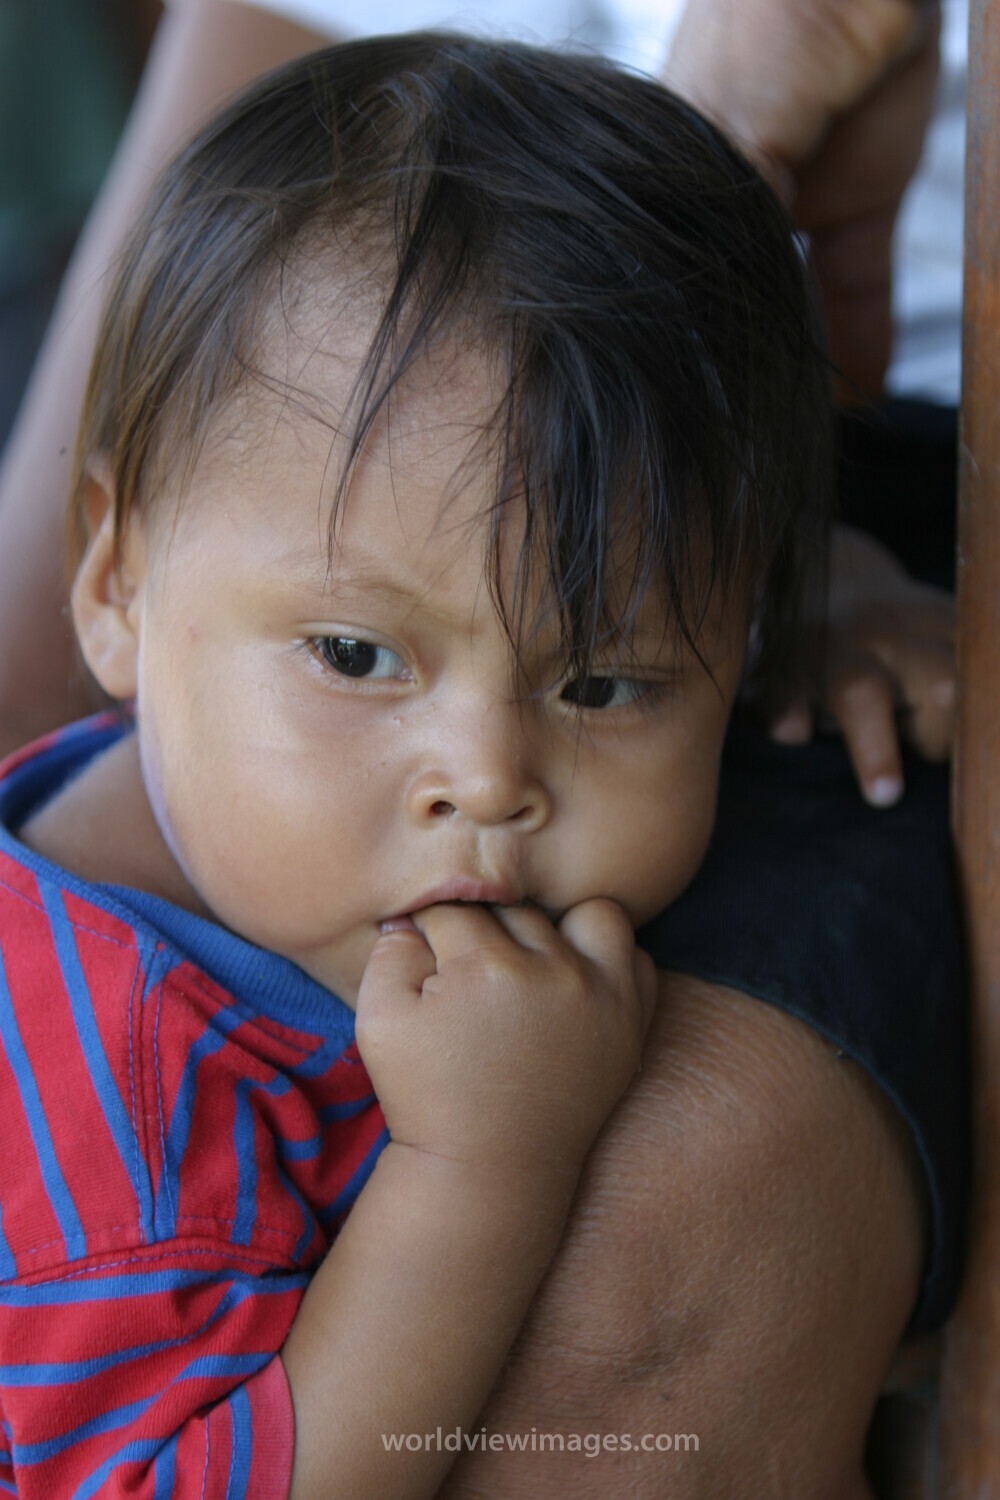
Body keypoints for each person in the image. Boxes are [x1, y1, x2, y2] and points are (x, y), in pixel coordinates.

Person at [0, 33, 932, 1496]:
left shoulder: (240, 842)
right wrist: (479, 1171)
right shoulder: (102, 1132)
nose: (491, 780)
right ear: (115, 585)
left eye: (607, 682)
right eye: (358, 658)